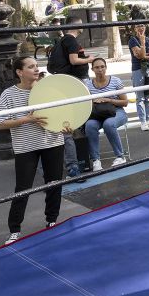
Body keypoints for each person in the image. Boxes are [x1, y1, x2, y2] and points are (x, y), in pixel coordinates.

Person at [0, 57, 65, 245]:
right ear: (19, 72)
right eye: (31, 66)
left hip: (53, 142)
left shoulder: (47, 89)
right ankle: (14, 229)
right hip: (26, 147)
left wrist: (67, 126)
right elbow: (0, 123)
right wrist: (27, 119)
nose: (36, 69)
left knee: (54, 183)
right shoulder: (9, 94)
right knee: (22, 188)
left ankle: (52, 221)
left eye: (36, 66)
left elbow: (62, 113)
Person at [49, 17, 96, 179]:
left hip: (67, 81)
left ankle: (77, 161)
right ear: (77, 25)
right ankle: (82, 160)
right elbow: (74, 60)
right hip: (76, 81)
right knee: (80, 117)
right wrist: (89, 59)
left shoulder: (63, 40)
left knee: (72, 124)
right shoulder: (71, 40)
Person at [84, 58, 129, 171]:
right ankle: (96, 160)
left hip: (116, 111)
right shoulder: (88, 84)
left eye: (102, 67)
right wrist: (93, 101)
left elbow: (125, 102)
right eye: (97, 67)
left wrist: (108, 100)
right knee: (89, 125)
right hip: (97, 113)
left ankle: (120, 156)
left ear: (106, 67)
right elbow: (85, 104)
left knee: (108, 124)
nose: (100, 70)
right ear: (92, 69)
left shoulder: (115, 81)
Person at [129, 24, 149, 131]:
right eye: (138, 26)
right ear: (135, 28)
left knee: (148, 96)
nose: (141, 28)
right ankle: (143, 121)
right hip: (138, 69)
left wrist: (143, 55)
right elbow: (140, 56)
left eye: (142, 26)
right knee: (140, 97)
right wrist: (142, 43)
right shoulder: (133, 40)